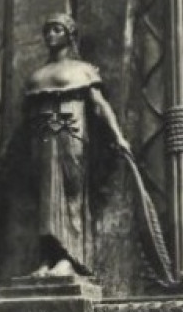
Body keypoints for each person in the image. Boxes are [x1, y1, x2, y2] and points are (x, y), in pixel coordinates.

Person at [24, 14, 131, 277]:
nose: (50, 35)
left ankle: (70, 258)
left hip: (71, 133)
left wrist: (117, 135)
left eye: (57, 30)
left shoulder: (82, 70)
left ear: (69, 34)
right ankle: (48, 257)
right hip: (44, 136)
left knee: (71, 193)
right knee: (46, 199)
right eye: (48, 30)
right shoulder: (38, 75)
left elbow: (99, 105)